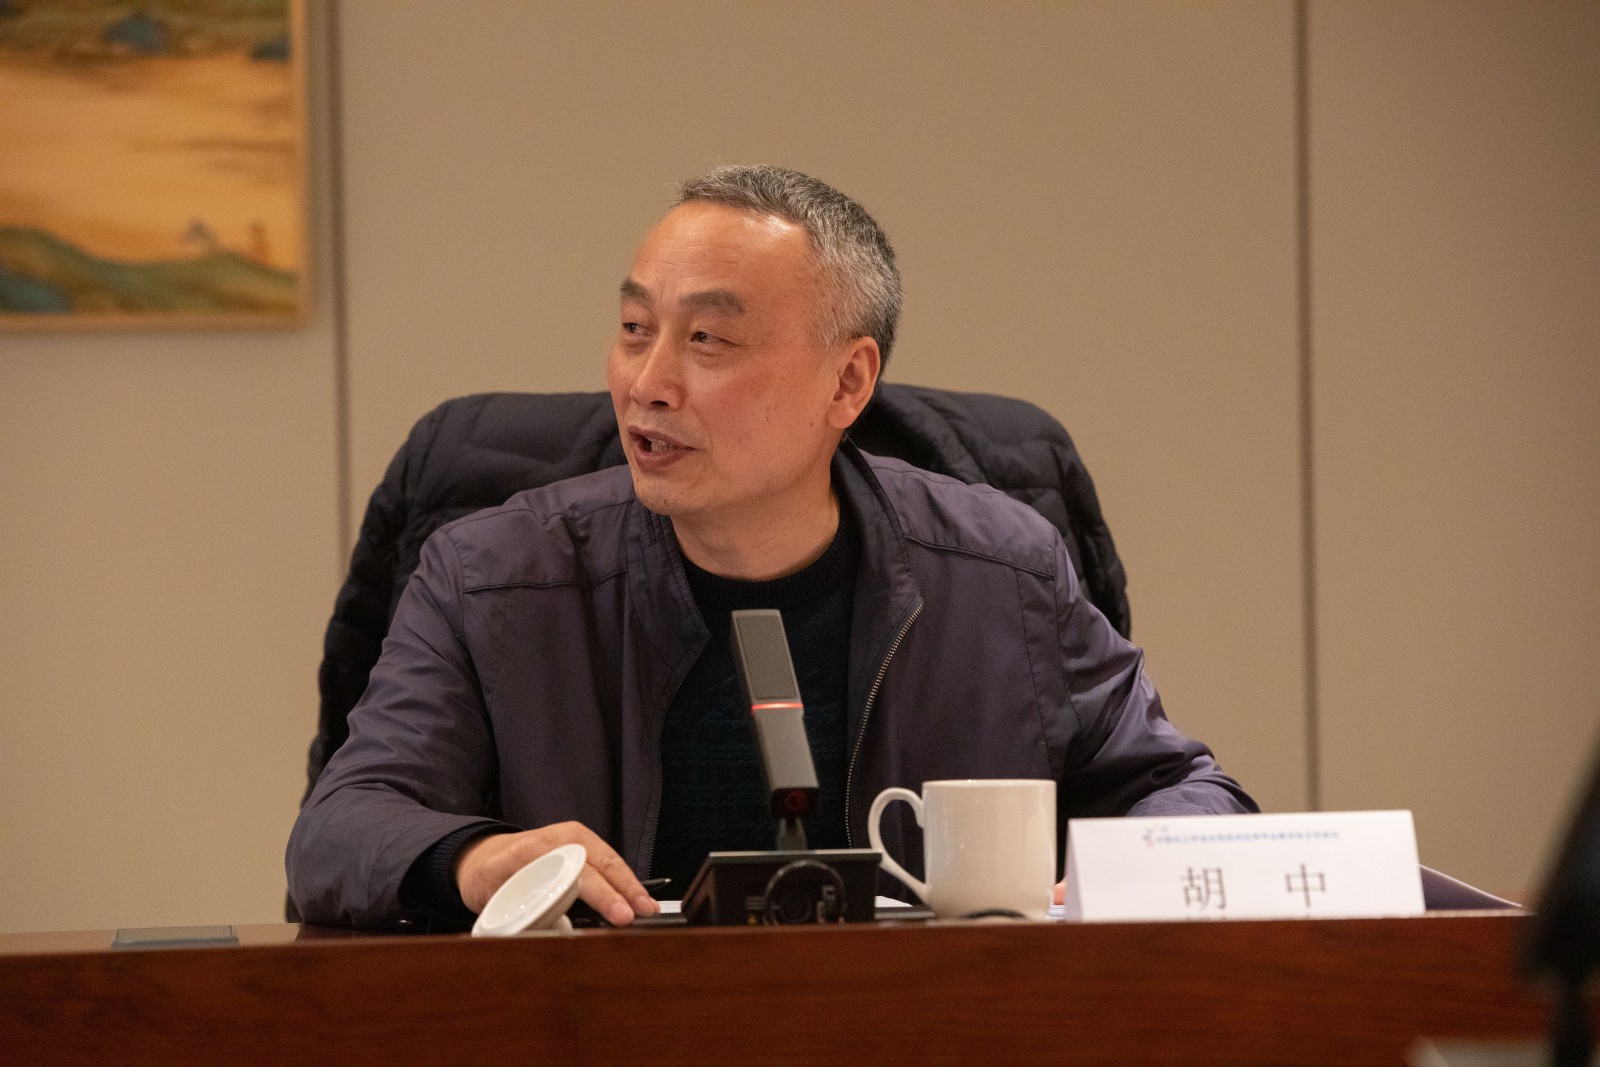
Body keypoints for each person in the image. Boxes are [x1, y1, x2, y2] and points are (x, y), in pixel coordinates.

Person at [287, 164, 1256, 929]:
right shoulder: (492, 577)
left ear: (848, 383)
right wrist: (472, 858)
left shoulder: (1001, 572)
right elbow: (340, 827)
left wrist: (1119, 874)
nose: (647, 382)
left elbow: (1182, 789)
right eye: (634, 328)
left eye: (708, 340)